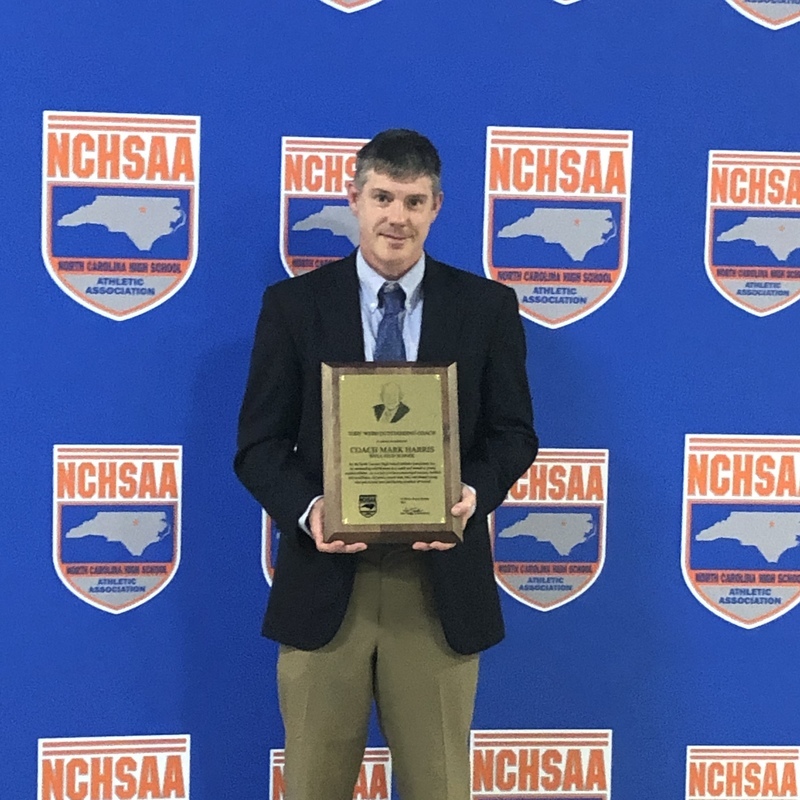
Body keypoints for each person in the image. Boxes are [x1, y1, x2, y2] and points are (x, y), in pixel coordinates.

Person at [235, 129, 538, 800]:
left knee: (439, 788)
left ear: (437, 207)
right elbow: (257, 447)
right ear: (355, 200)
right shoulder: (292, 308)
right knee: (313, 786)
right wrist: (312, 512)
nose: (396, 216)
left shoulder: (486, 308)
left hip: (437, 588)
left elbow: (515, 435)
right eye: (381, 197)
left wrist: (471, 492)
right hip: (324, 581)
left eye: (414, 200)